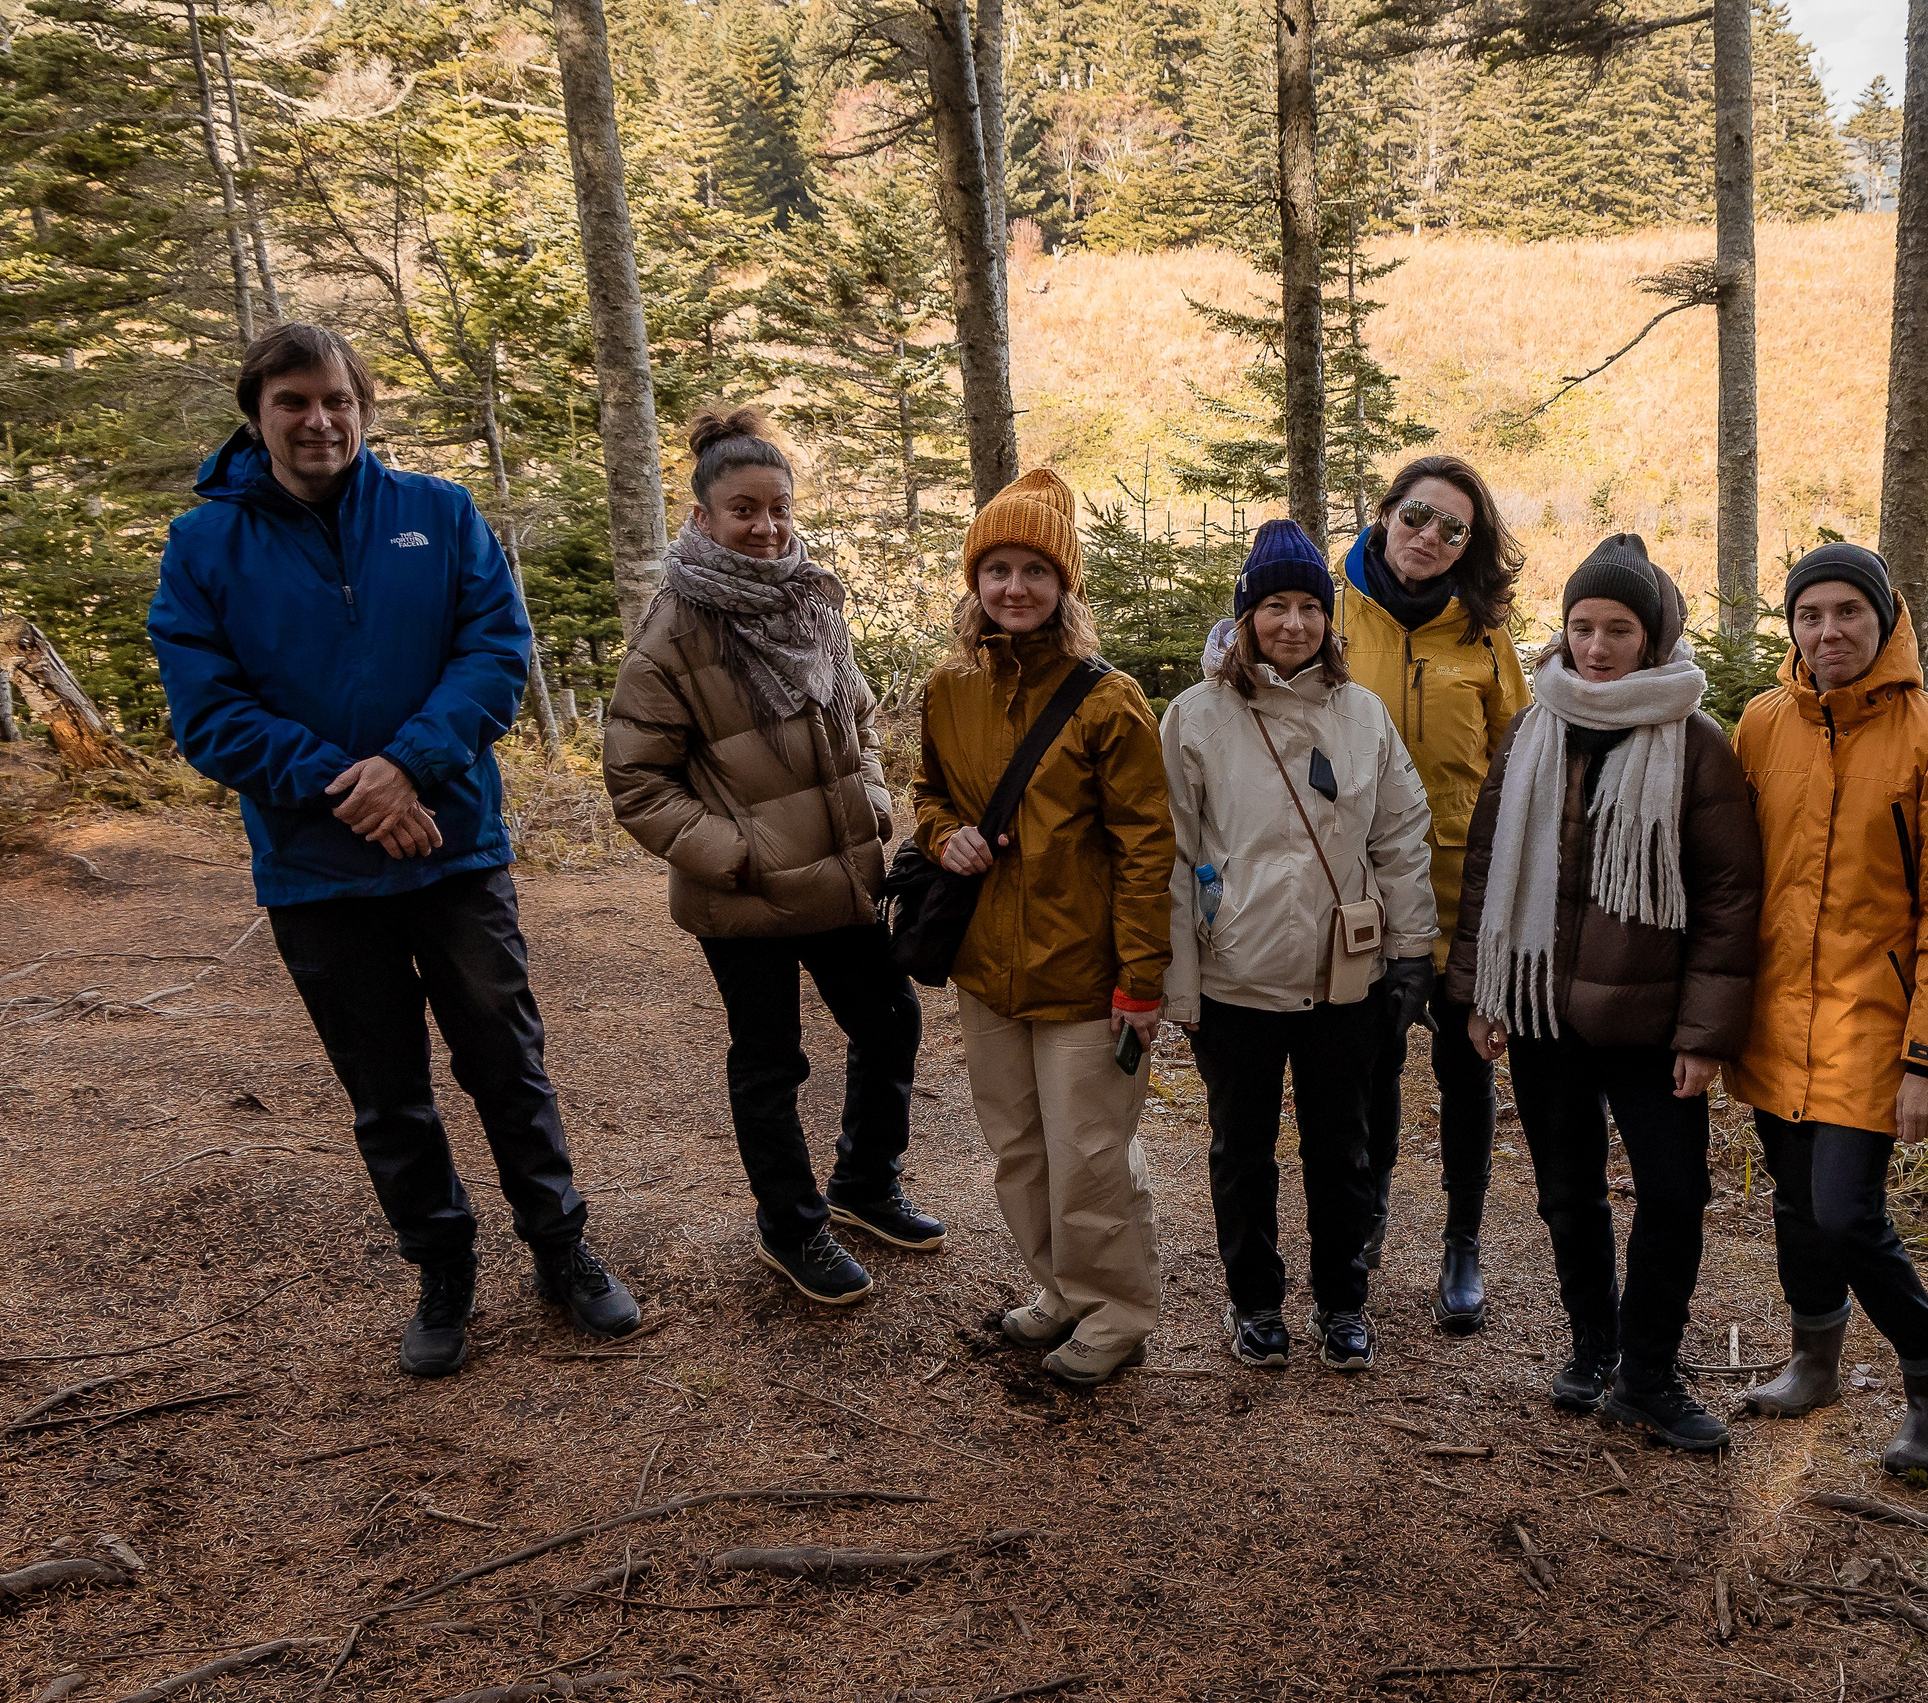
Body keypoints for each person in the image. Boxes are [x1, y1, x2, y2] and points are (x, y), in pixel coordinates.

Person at [148, 323, 638, 1379]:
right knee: (386, 1090)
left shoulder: (437, 513)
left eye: (335, 399)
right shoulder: (204, 548)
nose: (318, 420)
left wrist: (408, 768)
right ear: (257, 415)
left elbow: (495, 653)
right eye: (293, 402)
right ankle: (442, 1268)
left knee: (507, 1064)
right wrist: (357, 792)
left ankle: (563, 1253)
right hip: (317, 872)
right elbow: (208, 712)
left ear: (363, 408)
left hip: (454, 850)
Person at [603, 409, 936, 1310]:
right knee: (770, 1061)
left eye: (778, 507)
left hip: (838, 877)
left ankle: (864, 1188)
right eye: (743, 509)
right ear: (703, 515)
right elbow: (636, 779)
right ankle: (792, 1227)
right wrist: (737, 855)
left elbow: (858, 719)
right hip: (742, 894)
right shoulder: (673, 631)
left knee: (889, 1021)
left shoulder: (813, 599)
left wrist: (871, 798)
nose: (767, 526)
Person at [1449, 535, 1762, 1450]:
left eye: (1617, 629)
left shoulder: (1695, 744)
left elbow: (1729, 898)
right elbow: (1485, 870)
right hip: (1542, 1006)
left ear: (1653, 637)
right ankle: (1592, 1350)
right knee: (1566, 1190)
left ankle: (1650, 1372)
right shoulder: (1533, 727)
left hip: (1650, 1019)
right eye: (1582, 626)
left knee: (1675, 1191)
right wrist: (1482, 993)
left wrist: (1705, 1033)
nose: (1594, 647)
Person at [1726, 543, 1928, 1479]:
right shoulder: (1761, 724)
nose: (1828, 631)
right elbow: (1732, 879)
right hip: (1773, 1018)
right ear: (1792, 626)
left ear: (1885, 618)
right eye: (1810, 614)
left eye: (1847, 612)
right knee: (1797, 1209)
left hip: (1873, 1025)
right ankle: (1814, 1361)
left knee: (1847, 1213)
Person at [913, 469, 1177, 1387]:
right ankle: (1059, 1290)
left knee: (1092, 1156)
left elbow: (1149, 850)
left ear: (1064, 586)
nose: (1015, 588)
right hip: (990, 970)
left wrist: (1141, 982)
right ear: (974, 583)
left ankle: (1116, 1313)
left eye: (1035, 570)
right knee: (1019, 1150)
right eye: (997, 570)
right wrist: (945, 838)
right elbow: (929, 795)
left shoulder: (1110, 700)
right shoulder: (949, 688)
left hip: (1085, 978)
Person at [1160, 520, 1439, 1373]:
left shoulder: (1362, 716)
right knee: (1240, 1152)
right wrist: (1180, 986)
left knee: (1342, 1148)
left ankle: (1343, 1301)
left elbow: (1401, 837)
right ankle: (1256, 1303)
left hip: (1342, 978)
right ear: (1246, 616)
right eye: (1274, 605)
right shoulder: (1195, 718)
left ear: (1329, 620)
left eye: (1308, 607)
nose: (1292, 623)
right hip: (1235, 975)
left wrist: (1411, 954)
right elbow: (1169, 857)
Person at [1336, 455, 1532, 1333]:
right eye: (1419, 515)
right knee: (1367, 1066)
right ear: (1385, 513)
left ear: (1470, 547)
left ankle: (1462, 1243)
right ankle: (1367, 1219)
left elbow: (1519, 765)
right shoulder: (1330, 614)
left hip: (1464, 893)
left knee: (1465, 1070)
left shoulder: (1485, 639)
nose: (1430, 537)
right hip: (1359, 895)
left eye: (1454, 528)